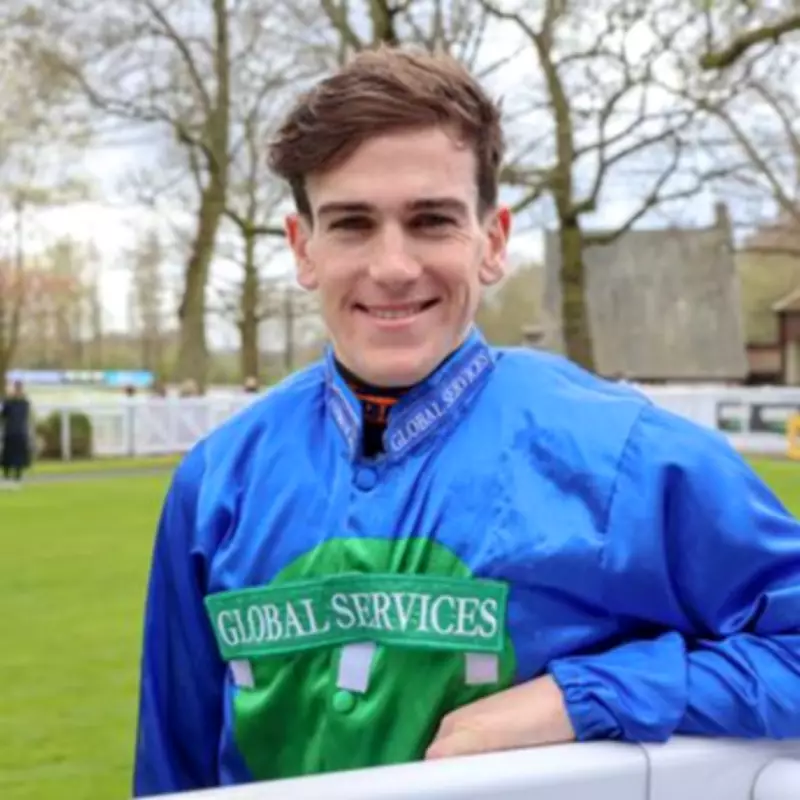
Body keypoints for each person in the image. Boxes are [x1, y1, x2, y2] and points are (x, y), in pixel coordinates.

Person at [132, 46, 800, 797]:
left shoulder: (625, 459)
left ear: (493, 242)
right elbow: (173, 771)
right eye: (352, 224)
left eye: (431, 221)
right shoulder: (219, 479)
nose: (392, 266)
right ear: (302, 247)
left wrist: (582, 697)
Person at [1, 380, 32, 487]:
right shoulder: (8, 402)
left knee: (19, 455)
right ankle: (6, 474)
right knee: (8, 454)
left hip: (20, 431)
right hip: (10, 431)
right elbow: (4, 414)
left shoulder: (24, 403)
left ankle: (18, 474)